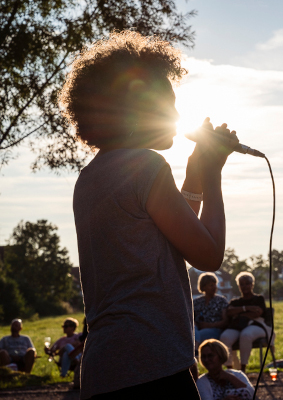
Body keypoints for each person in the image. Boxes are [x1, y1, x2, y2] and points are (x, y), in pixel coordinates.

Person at [64, 30, 237, 399]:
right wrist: (213, 174)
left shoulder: (90, 177)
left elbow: (168, 235)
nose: (176, 115)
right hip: (152, 365)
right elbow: (208, 254)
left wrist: (193, 172)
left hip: (104, 370)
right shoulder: (146, 165)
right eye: (167, 105)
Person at [220, 272, 272, 372]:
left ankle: (243, 369)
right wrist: (246, 308)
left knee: (246, 335)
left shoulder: (258, 299)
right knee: (225, 337)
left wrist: (239, 313)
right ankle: (230, 370)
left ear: (252, 284)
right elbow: (229, 312)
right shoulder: (235, 301)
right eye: (242, 284)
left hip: (257, 326)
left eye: (247, 283)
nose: (245, 286)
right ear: (238, 286)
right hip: (237, 326)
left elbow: (257, 313)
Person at [194, 272, 229, 347]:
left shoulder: (221, 300)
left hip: (215, 330)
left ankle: (196, 351)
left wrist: (209, 325)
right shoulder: (196, 302)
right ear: (203, 287)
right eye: (211, 285)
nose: (214, 287)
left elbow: (225, 321)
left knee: (197, 336)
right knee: (193, 331)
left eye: (215, 284)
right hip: (198, 329)